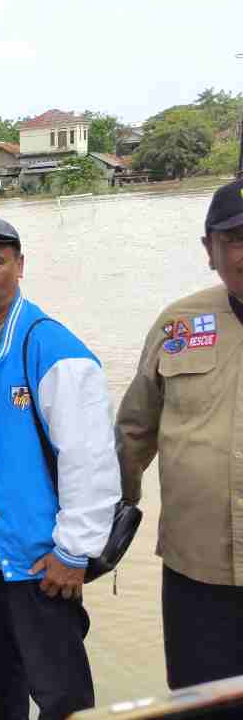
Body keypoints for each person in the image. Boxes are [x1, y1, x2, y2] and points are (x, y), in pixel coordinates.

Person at [0, 216, 121, 720]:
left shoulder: (50, 349)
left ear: (20, 267)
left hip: (39, 560)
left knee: (59, 692)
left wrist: (74, 550)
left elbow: (91, 460)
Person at [116, 178, 243, 710]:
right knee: (199, 704)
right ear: (209, 251)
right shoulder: (181, 323)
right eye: (235, 237)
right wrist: (105, 522)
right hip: (197, 570)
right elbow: (133, 431)